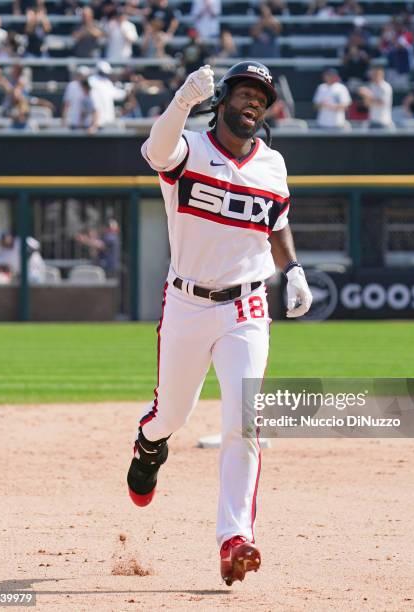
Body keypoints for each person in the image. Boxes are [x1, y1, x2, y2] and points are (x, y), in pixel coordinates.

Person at [126, 61, 313, 586]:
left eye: (263, 97)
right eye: (246, 92)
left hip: (247, 307)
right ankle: (149, 443)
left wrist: (293, 268)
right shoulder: (187, 148)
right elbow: (155, 152)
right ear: (224, 98)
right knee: (171, 416)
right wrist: (183, 99)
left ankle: (235, 538)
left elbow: (276, 220)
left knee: (245, 420)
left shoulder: (273, 164)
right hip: (187, 303)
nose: (254, 102)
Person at [89, 61, 128, 127]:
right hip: (93, 122)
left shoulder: (107, 83)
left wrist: (128, 90)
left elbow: (118, 95)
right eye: (101, 73)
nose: (103, 75)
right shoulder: (92, 81)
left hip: (107, 121)